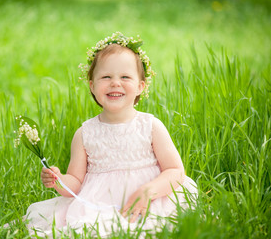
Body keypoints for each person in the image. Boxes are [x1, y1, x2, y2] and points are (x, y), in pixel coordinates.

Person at [15, 32, 197, 236]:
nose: (115, 83)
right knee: (91, 229)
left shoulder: (151, 126)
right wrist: (59, 180)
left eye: (125, 77)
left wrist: (148, 191)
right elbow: (76, 182)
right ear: (92, 86)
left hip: (149, 202)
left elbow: (175, 171)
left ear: (140, 86)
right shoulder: (85, 133)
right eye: (106, 77)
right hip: (98, 205)